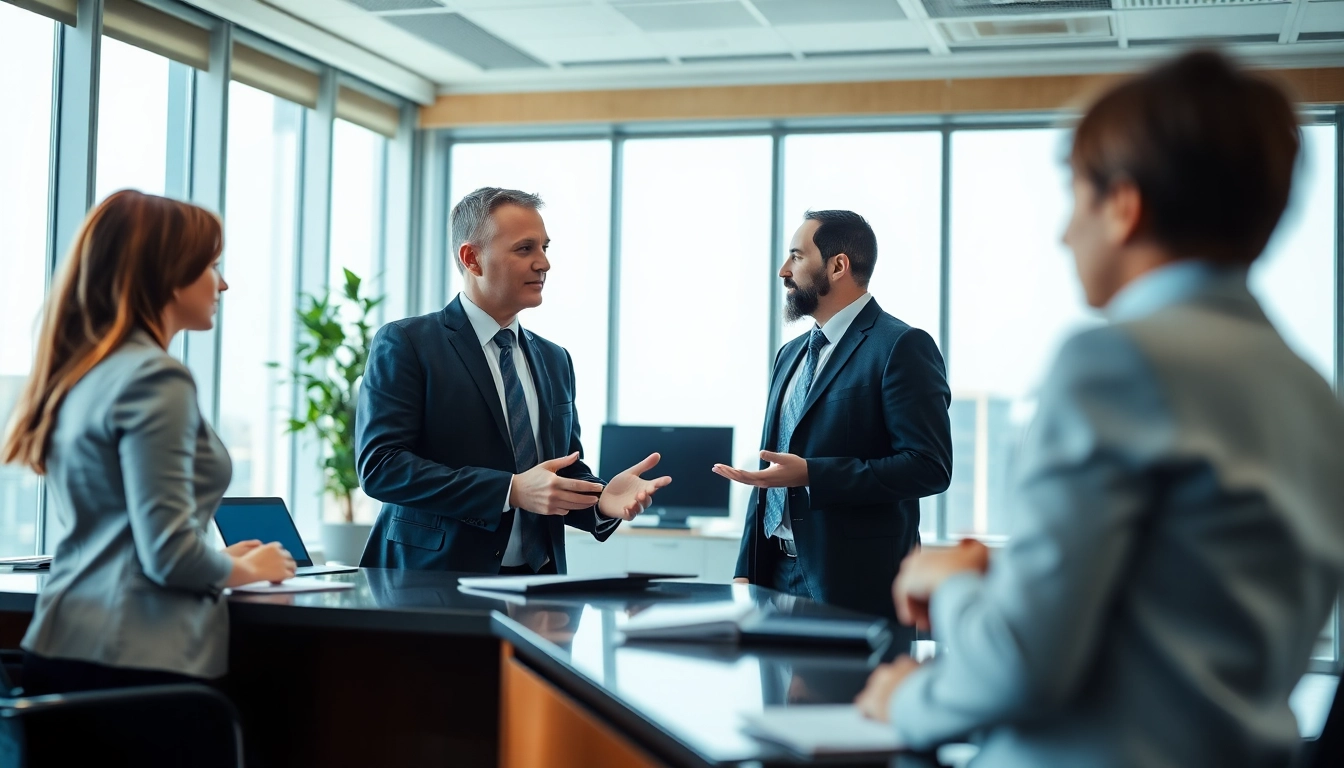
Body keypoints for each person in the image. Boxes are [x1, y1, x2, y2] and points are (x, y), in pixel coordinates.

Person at [854, 51, 1344, 768]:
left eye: (1075, 197)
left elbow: (1021, 668)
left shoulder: (1110, 364)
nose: (1064, 233)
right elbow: (1179, 617)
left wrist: (921, 664)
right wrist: (990, 579)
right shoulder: (1310, 393)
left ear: (1122, 205)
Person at [1, 190, 296, 764]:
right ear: (167, 276)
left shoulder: (84, 372)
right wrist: (243, 568)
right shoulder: (156, 378)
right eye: (211, 266)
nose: (223, 283)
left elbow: (127, 530)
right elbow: (170, 556)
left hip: (64, 650)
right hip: (137, 669)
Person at [358, 187, 670, 574]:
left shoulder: (555, 359)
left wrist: (603, 498)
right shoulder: (407, 343)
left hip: (540, 585)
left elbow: (560, 471)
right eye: (525, 249)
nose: (544, 263)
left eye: (545, 247)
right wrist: (509, 490)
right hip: (434, 581)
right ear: (472, 259)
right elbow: (381, 466)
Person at [714, 210, 952, 638]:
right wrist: (745, 570)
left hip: (854, 590)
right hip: (772, 578)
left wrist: (813, 474)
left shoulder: (900, 346)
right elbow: (770, 474)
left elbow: (928, 465)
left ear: (838, 266)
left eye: (796, 257)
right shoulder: (789, 355)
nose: (783, 272)